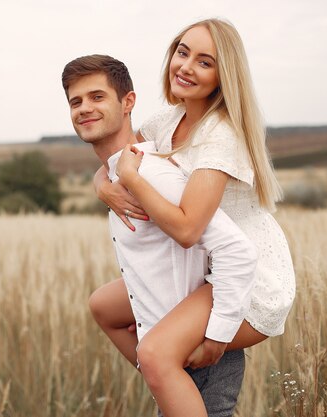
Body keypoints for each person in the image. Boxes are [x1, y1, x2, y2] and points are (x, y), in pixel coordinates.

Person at [90, 19, 296, 417]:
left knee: (155, 352)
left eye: (205, 62)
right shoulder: (164, 122)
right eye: (183, 53)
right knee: (104, 307)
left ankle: (166, 369)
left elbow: (187, 228)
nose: (185, 66)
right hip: (198, 268)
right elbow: (117, 162)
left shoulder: (220, 136)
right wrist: (102, 185)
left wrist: (131, 177)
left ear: (223, 77)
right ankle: (171, 382)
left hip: (244, 275)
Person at [62, 54, 259, 417]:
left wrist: (216, 335)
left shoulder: (151, 174)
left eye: (97, 97)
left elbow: (237, 251)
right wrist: (157, 371)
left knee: (154, 356)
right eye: (76, 101)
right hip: (175, 355)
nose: (84, 108)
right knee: (103, 305)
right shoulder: (121, 175)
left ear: (128, 102)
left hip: (202, 355)